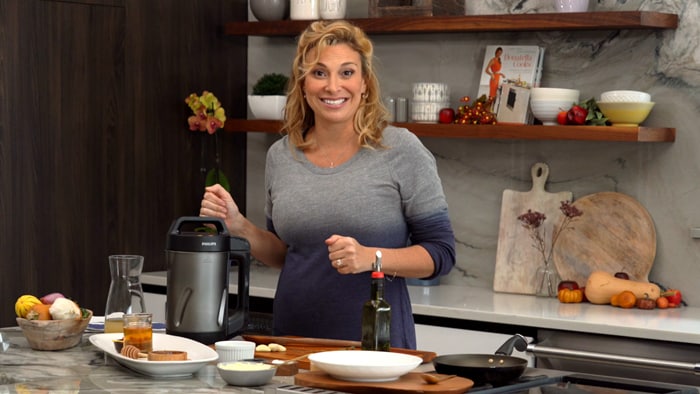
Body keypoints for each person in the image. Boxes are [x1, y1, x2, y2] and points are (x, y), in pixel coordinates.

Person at [200, 20, 455, 349]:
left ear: (364, 83)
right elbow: (288, 253)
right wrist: (241, 227)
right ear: (303, 85)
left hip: (378, 351)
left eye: (346, 72)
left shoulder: (401, 150)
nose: (333, 87)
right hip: (293, 345)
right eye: (319, 73)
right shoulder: (282, 155)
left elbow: (442, 254)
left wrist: (369, 257)